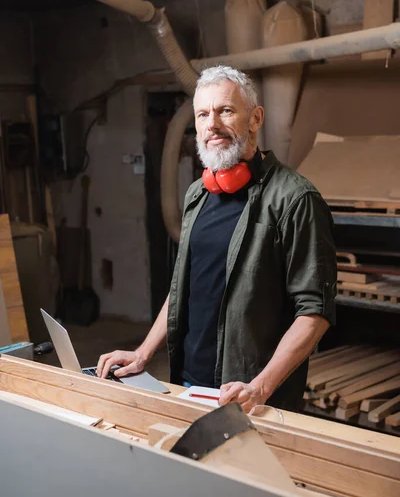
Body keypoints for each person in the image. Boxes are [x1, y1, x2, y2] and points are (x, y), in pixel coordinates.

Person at [97, 65, 336, 413]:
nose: (212, 124)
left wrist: (260, 387)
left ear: (255, 119)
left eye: (225, 110)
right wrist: (143, 352)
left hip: (248, 393)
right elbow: (183, 289)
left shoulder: (295, 199)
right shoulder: (198, 194)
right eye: (203, 114)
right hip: (188, 382)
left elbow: (315, 313)